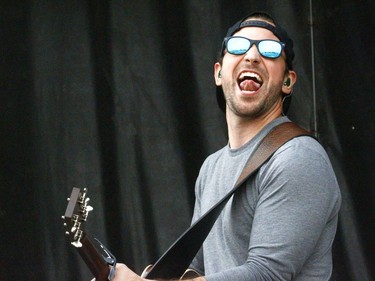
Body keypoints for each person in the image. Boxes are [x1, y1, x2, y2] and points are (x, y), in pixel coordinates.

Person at [94, 11, 341, 281]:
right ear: (219, 73)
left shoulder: (297, 158)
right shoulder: (212, 167)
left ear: (287, 81)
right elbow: (198, 270)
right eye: (238, 47)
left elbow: (268, 274)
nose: (252, 56)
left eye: (270, 50)